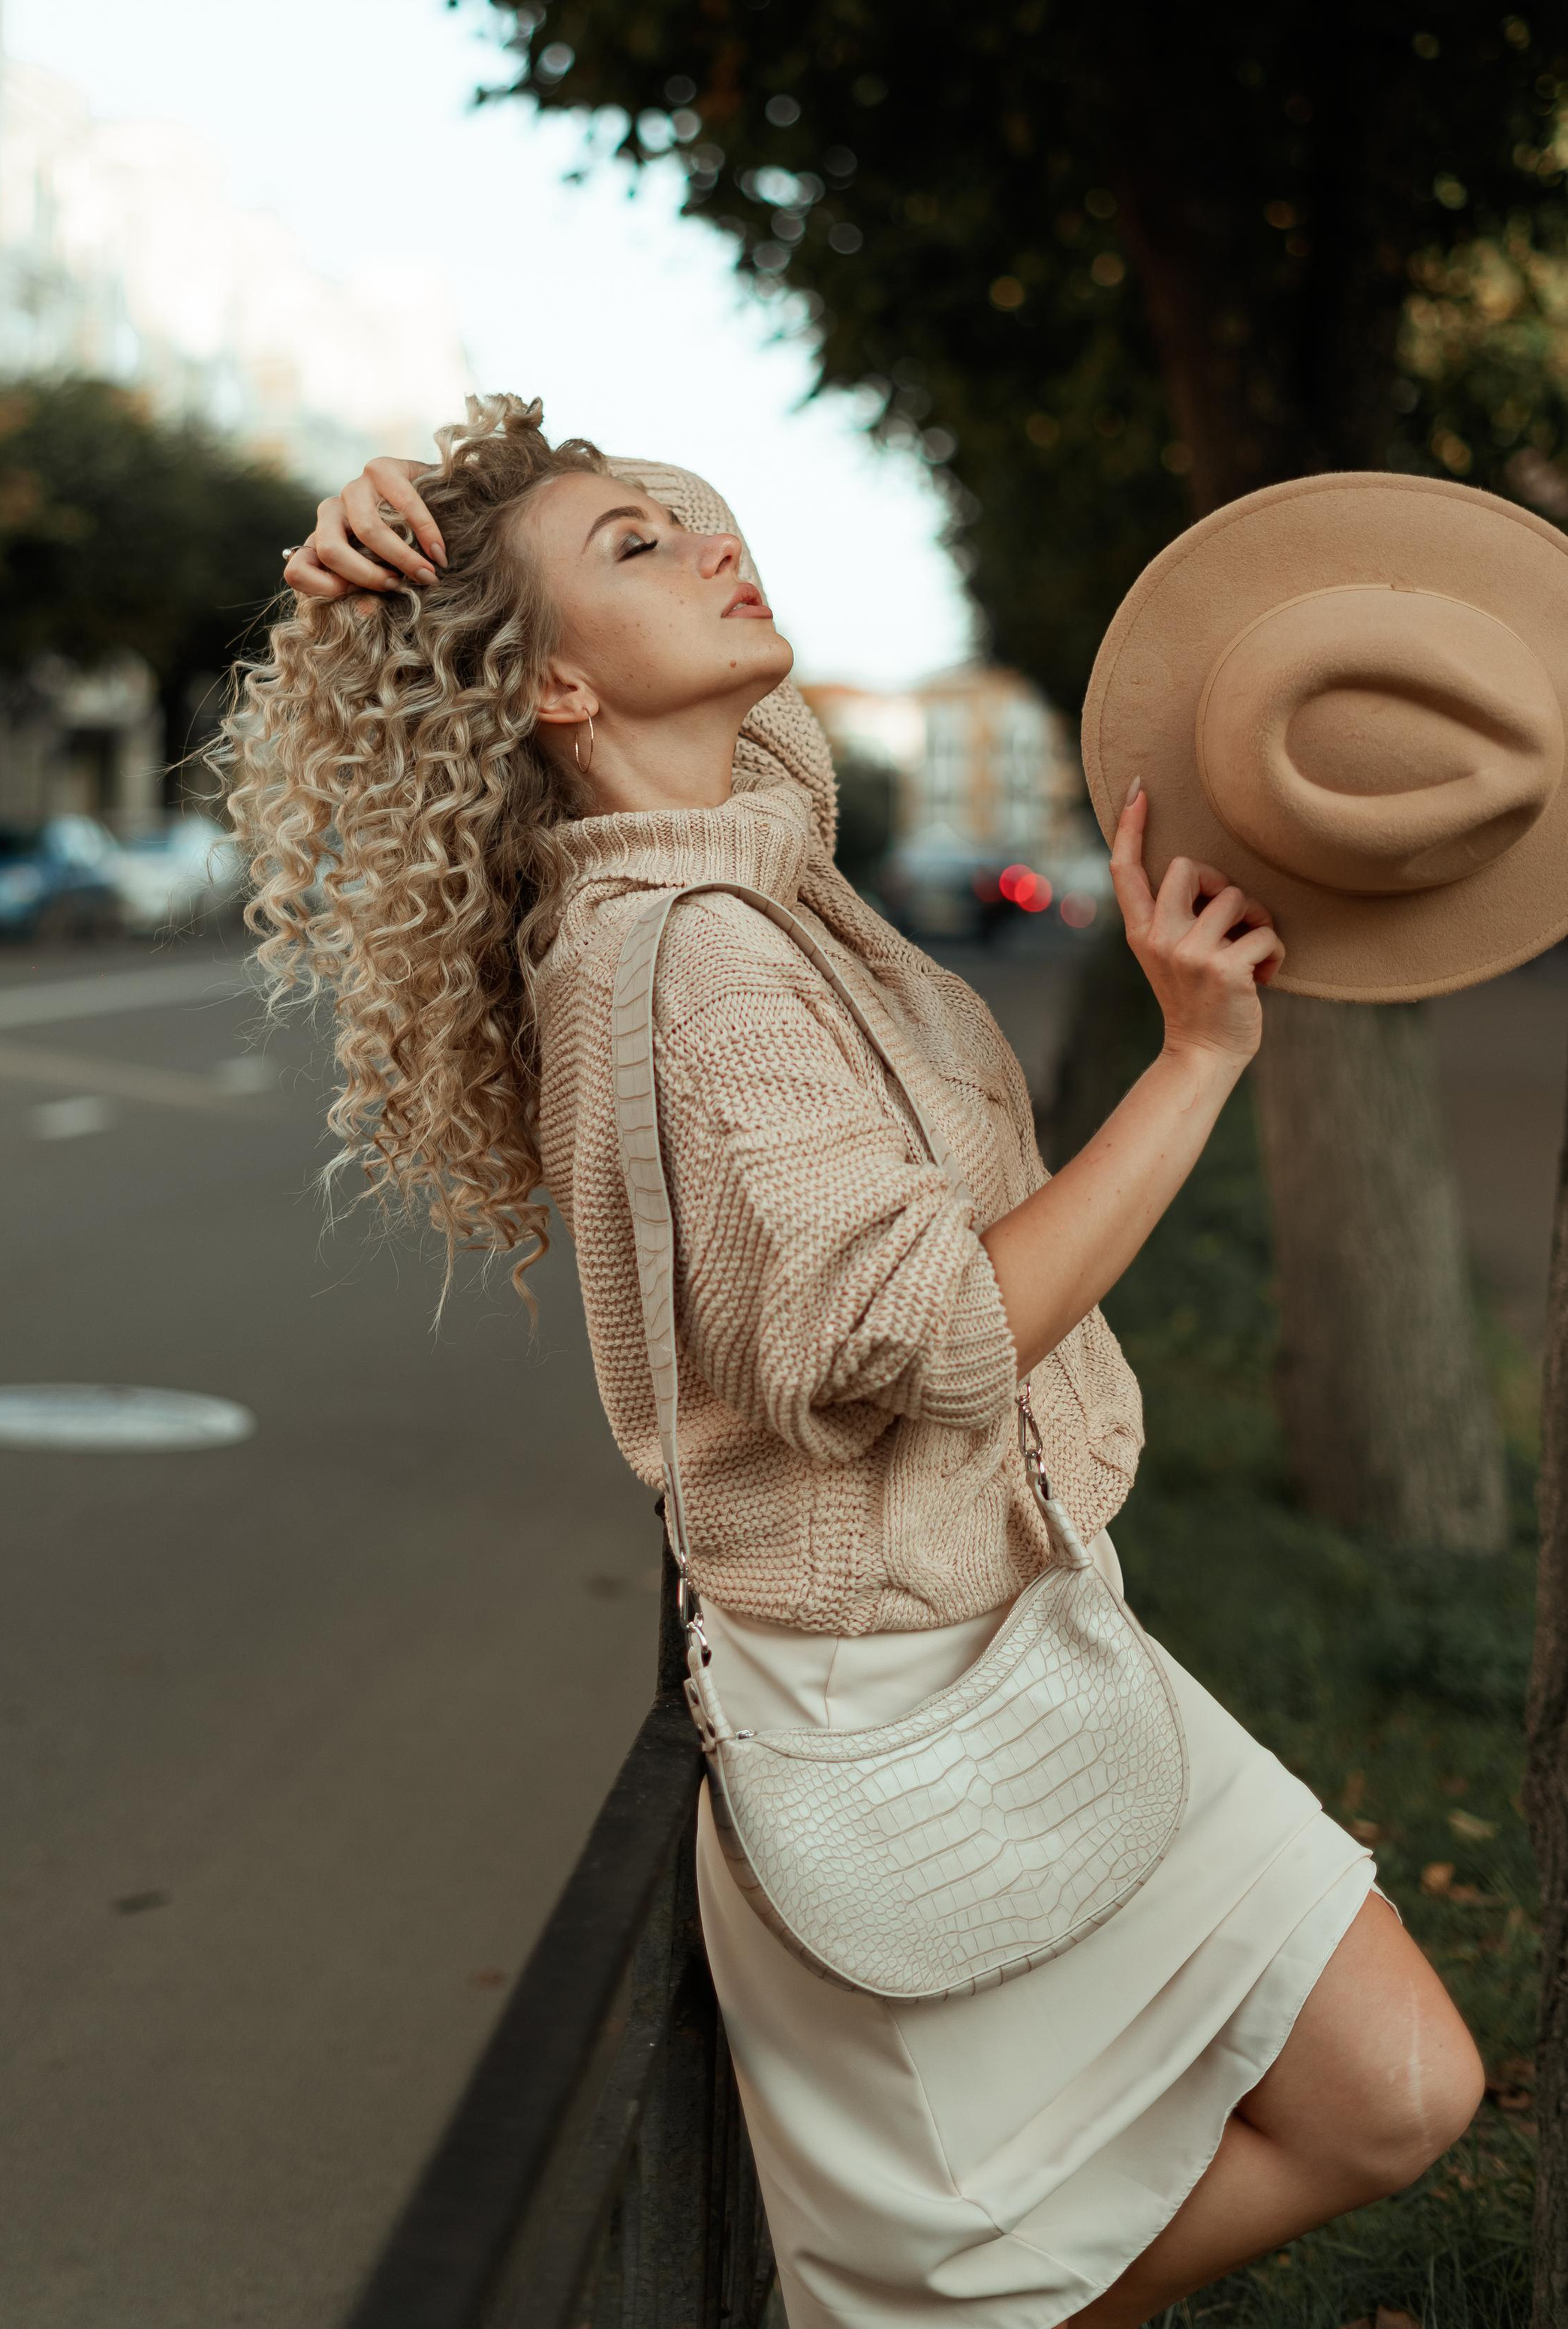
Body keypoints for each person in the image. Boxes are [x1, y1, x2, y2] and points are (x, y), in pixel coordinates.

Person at [239, 398, 1483, 2329]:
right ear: (556, 686)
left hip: (1026, 1623)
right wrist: (1197, 1060)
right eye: (634, 548)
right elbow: (934, 1332)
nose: (707, 540)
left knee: (1397, 2089)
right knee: (1363, 2105)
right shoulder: (691, 960)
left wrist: (408, 521)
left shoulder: (748, 839)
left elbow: (679, 595)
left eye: (685, 516)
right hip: (904, 1705)